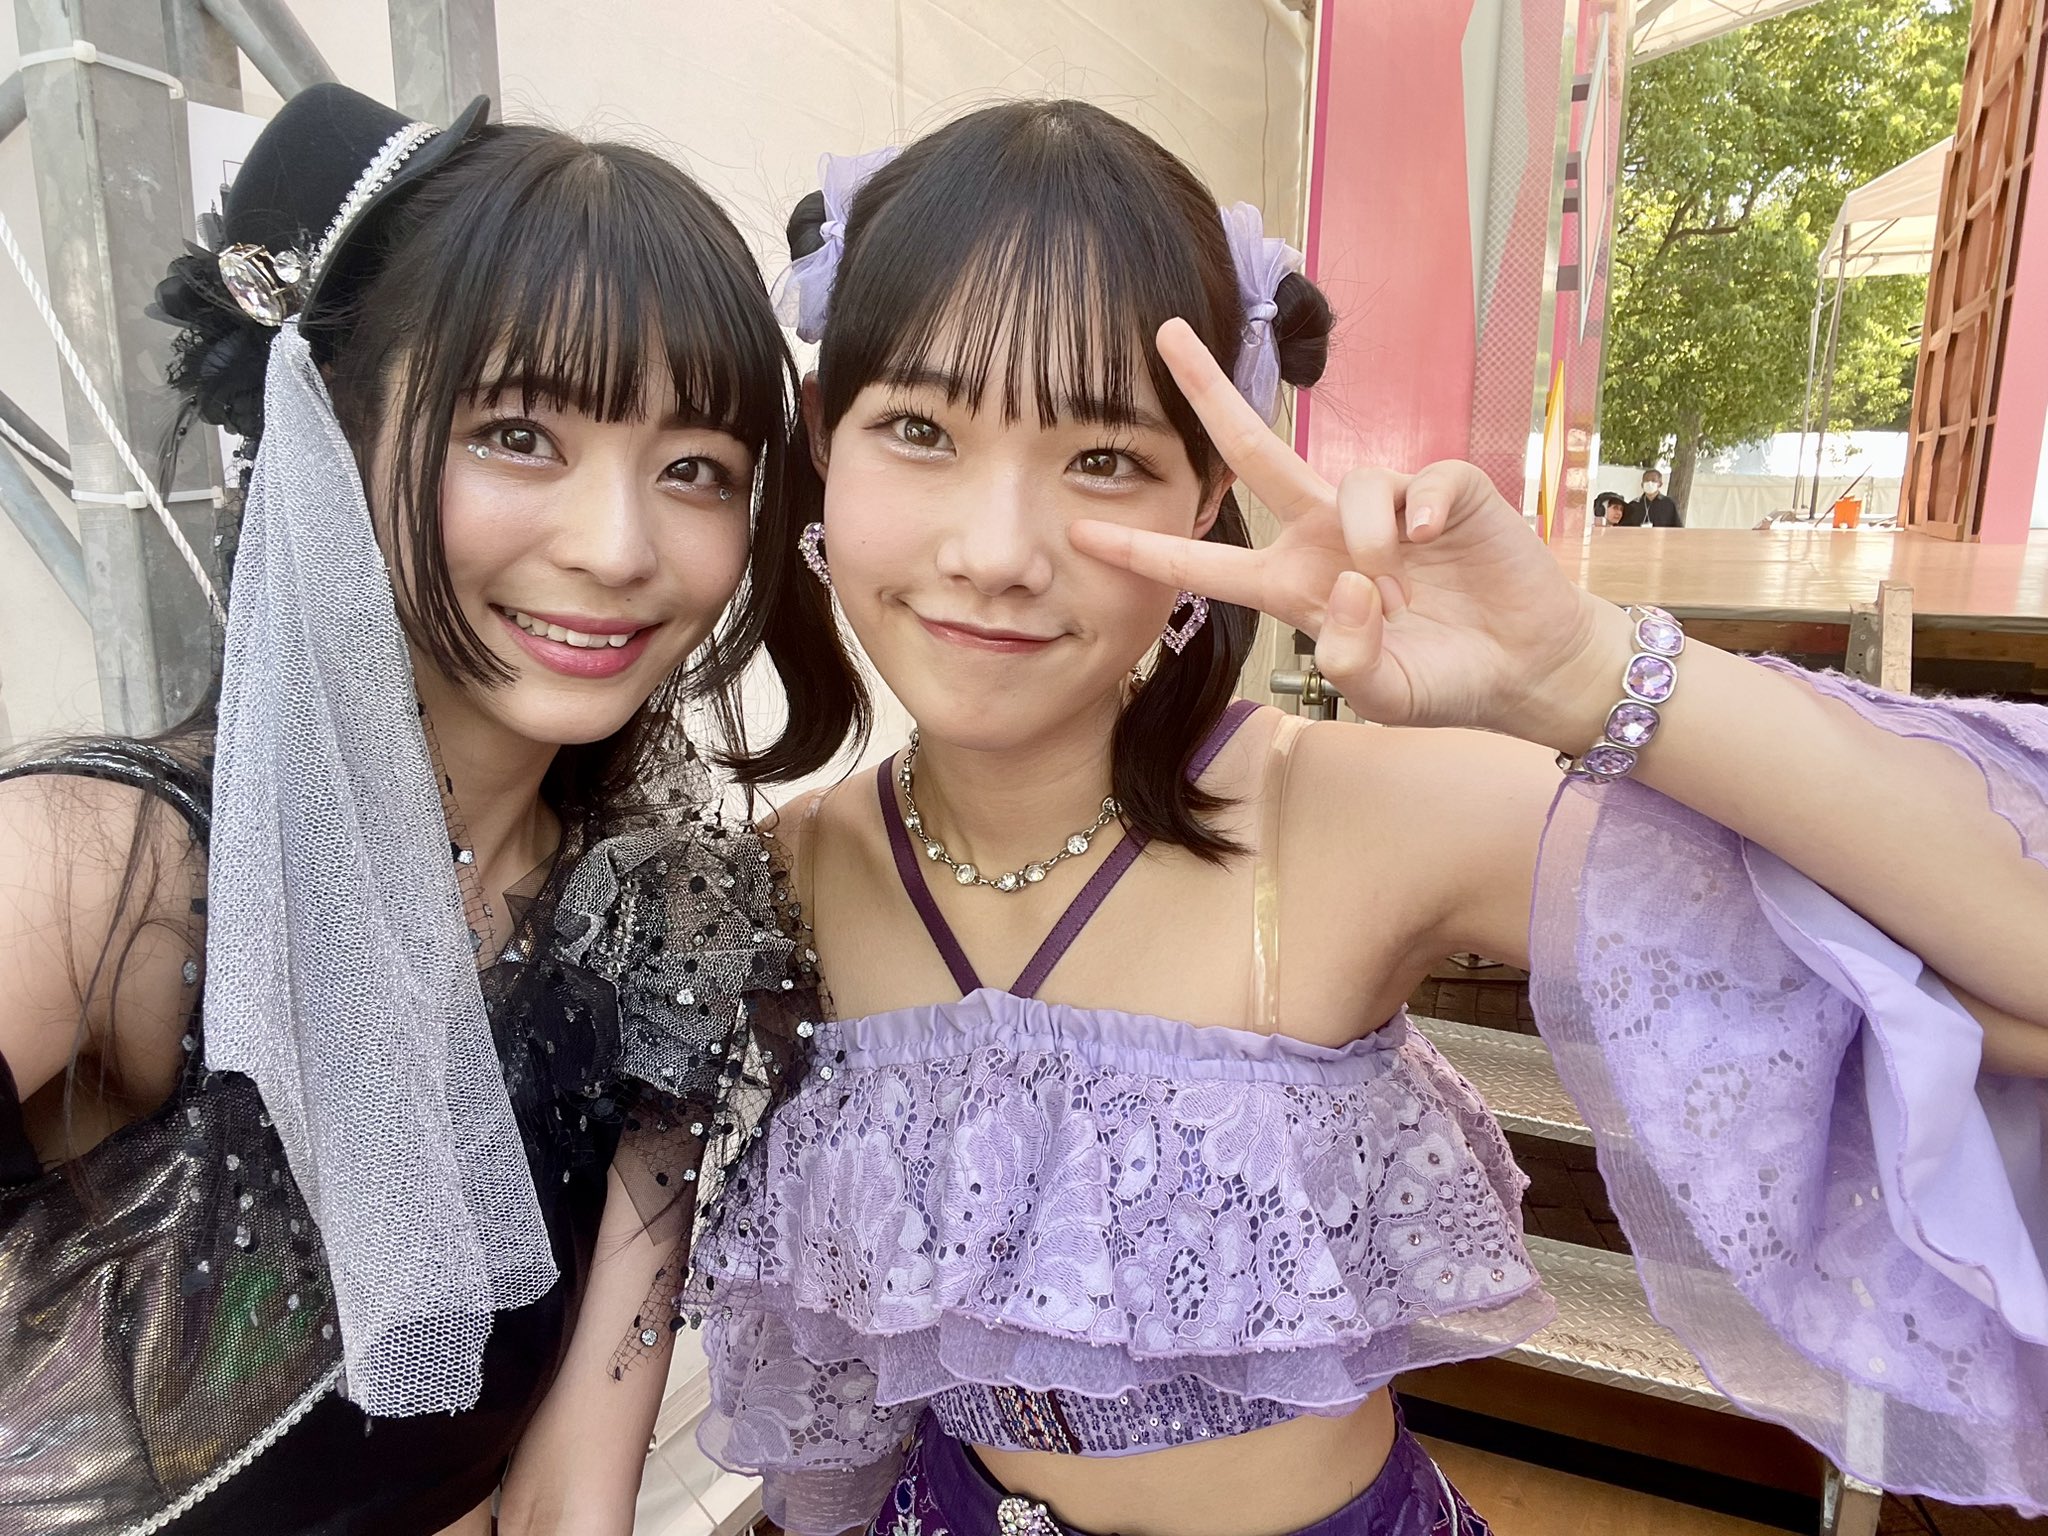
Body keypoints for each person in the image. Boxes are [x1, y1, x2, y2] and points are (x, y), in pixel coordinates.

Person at [689, 99, 2048, 1536]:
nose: (996, 552)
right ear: (824, 443)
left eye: (1104, 458)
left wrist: (1583, 672)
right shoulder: (793, 878)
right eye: (920, 429)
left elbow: (2013, 992)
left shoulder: (1345, 819)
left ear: (1207, 502)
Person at [0, 85, 856, 1535]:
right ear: (334, 432)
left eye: (696, 469)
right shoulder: (98, 871)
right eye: (519, 434)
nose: (618, 547)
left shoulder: (666, 939)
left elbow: (570, 1497)